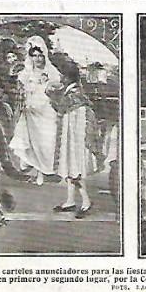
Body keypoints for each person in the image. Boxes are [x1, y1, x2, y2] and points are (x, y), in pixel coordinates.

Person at [49, 60, 98, 218]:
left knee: (75, 169)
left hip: (76, 136)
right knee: (71, 167)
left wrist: (49, 94)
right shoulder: (71, 92)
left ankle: (86, 202)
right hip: (72, 134)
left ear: (69, 78)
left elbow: (63, 108)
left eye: (63, 76)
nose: (61, 79)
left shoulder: (74, 94)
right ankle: (70, 201)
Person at [9, 36, 61, 184]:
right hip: (31, 111)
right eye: (34, 56)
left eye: (40, 56)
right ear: (30, 57)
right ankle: (39, 172)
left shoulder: (51, 72)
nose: (38, 59)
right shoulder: (26, 72)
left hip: (47, 110)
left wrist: (48, 87)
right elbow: (21, 88)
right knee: (34, 142)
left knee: (48, 140)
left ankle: (49, 170)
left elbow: (57, 89)